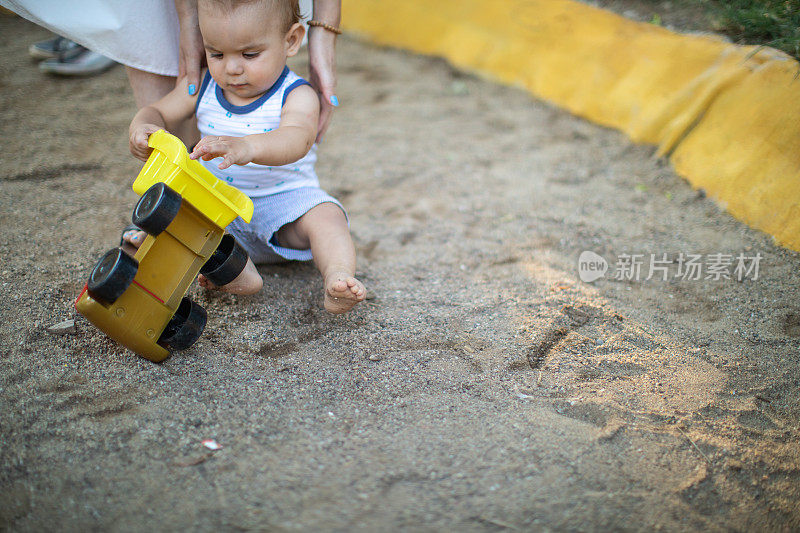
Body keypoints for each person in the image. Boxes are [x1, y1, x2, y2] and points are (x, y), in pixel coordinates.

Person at [127, 0, 365, 314]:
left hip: (285, 207)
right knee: (173, 218)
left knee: (327, 216)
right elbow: (158, 110)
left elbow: (296, 138)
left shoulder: (297, 94)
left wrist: (247, 147)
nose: (232, 68)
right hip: (219, 211)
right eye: (216, 53)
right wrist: (144, 125)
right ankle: (236, 272)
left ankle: (337, 275)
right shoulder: (202, 87)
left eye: (250, 54)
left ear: (291, 40)